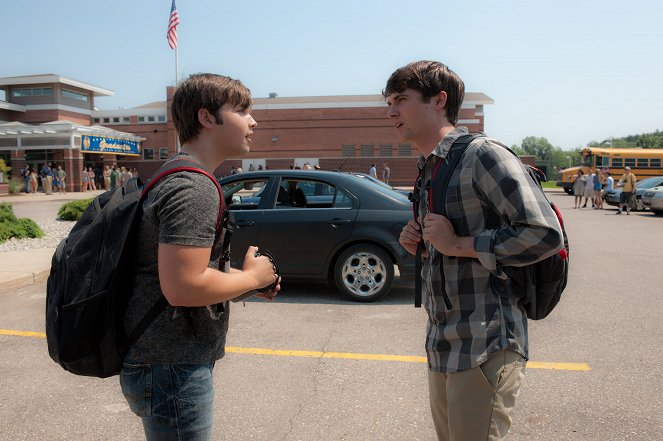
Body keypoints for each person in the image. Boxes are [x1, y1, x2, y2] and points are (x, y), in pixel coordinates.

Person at [385, 60, 563, 441]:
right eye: (389, 102)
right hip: (444, 342)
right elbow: (447, 242)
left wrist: (459, 244)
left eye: (401, 99)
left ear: (439, 100)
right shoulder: (430, 166)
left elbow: (544, 234)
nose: (392, 110)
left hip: (486, 343)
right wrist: (419, 239)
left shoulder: (483, 155)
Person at [119, 73, 280, 440]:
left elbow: (183, 272)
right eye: (242, 110)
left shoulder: (178, 173)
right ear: (207, 118)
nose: (253, 121)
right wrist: (254, 277)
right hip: (172, 365)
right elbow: (183, 286)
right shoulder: (193, 186)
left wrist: (243, 283)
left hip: (162, 360)